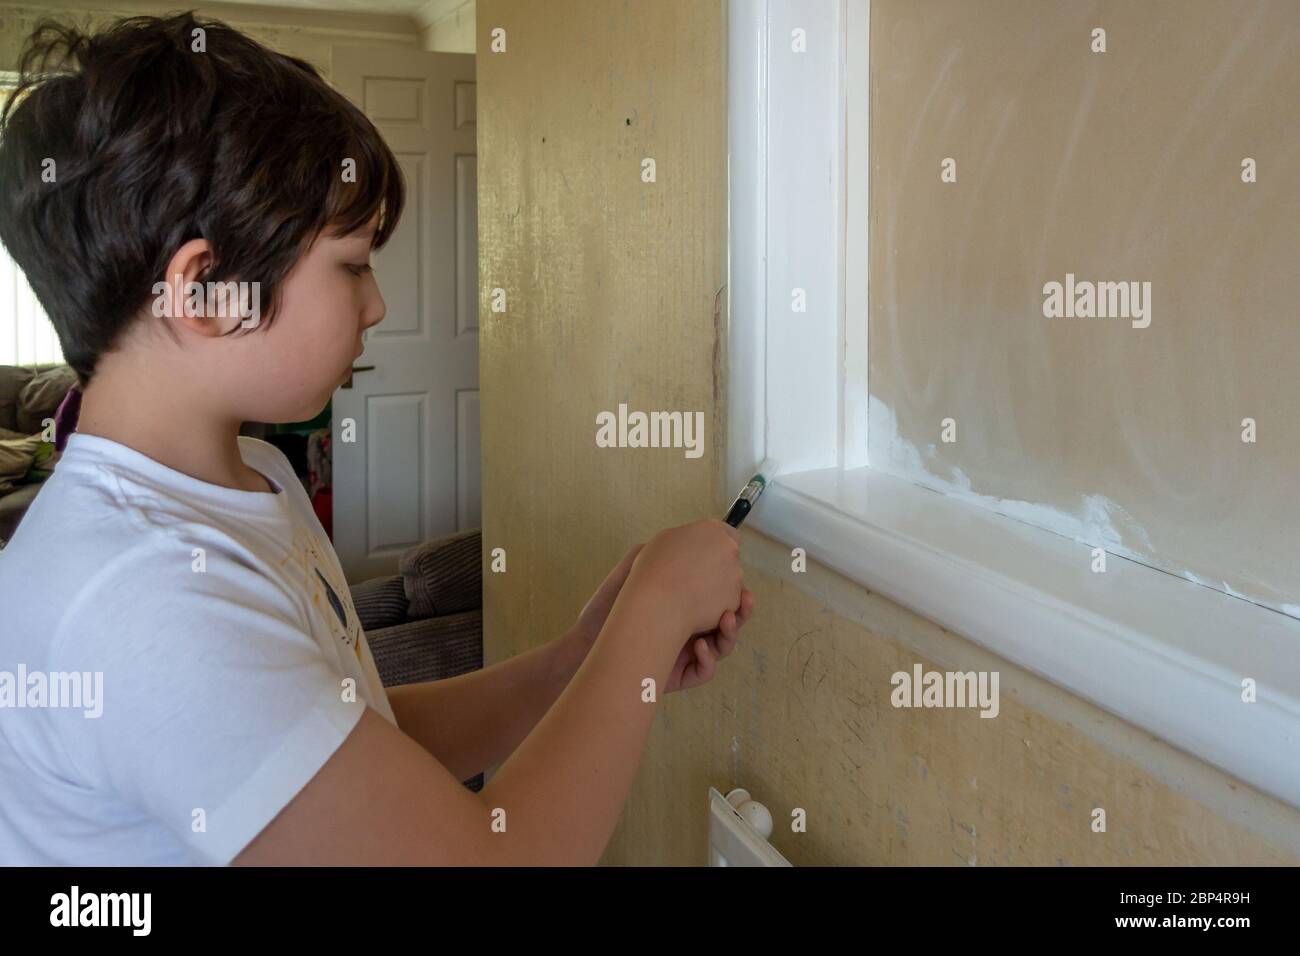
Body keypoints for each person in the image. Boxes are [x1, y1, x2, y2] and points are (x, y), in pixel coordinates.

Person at [0, 12, 751, 866]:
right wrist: (651, 617)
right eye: (352, 264)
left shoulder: (257, 474)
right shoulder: (137, 600)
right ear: (206, 290)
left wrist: (574, 662)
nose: (378, 304)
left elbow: (349, 749)